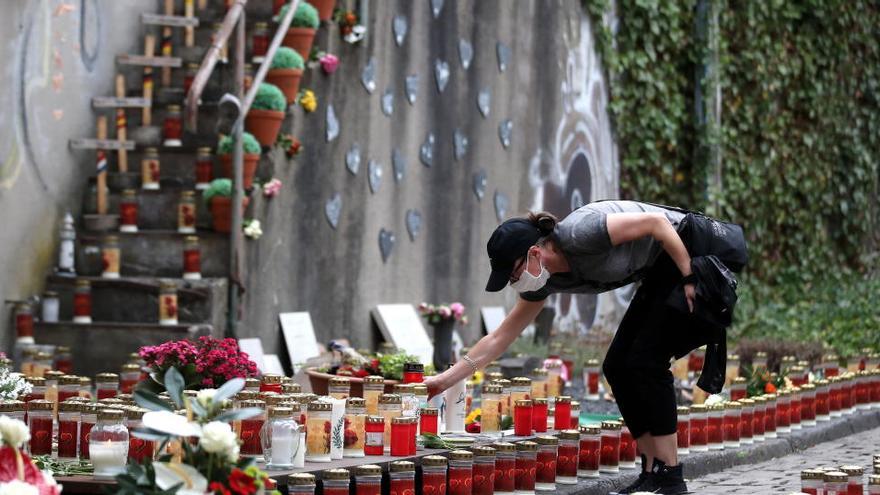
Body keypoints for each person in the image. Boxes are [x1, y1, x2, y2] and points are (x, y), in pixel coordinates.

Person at [425, 200, 711, 495]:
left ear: (534, 253)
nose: (514, 283)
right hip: (658, 272)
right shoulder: (545, 281)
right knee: (617, 367)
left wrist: (690, 277)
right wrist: (442, 381)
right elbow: (499, 338)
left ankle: (670, 477)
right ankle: (653, 473)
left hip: (687, 249)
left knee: (645, 363)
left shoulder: (579, 233)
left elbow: (657, 224)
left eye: (513, 274)